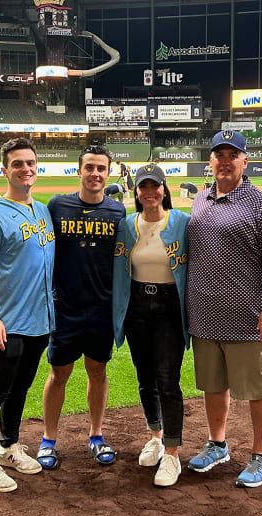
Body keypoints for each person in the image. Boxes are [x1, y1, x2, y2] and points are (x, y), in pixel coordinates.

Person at [185, 130, 262, 488]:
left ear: (245, 161)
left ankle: (261, 456)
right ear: (211, 161)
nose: (225, 161)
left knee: (259, 388)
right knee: (213, 386)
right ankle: (217, 444)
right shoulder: (200, 200)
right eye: (219, 154)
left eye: (233, 154)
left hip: (248, 318)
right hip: (204, 315)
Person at [0, 137, 55, 493]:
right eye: (17, 163)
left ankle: (8, 447)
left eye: (30, 163)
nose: (25, 168)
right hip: (7, 322)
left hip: (39, 321)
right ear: (4, 170)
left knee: (20, 389)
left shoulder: (43, 211)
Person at [37, 144, 126, 470]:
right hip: (65, 308)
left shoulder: (117, 212)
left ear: (108, 172)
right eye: (89, 167)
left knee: (97, 371)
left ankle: (97, 435)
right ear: (79, 171)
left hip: (101, 308)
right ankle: (48, 439)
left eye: (101, 168)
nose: (95, 174)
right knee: (58, 372)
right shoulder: (57, 206)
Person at [112, 164, 190, 487]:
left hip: (169, 307)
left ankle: (172, 453)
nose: (149, 193)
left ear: (164, 189)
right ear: (136, 192)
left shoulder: (183, 223)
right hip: (137, 308)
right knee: (145, 378)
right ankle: (155, 437)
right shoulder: (127, 226)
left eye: (154, 186)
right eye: (143, 187)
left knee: (167, 380)